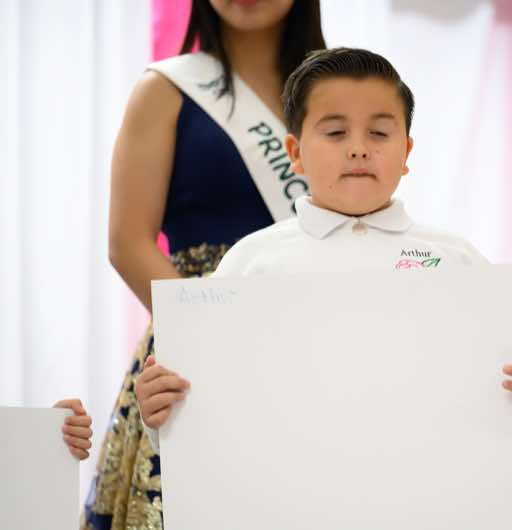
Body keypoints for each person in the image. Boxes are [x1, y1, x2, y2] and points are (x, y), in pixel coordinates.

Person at [135, 48, 512, 457]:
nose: (358, 148)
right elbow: (206, 399)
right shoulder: (251, 262)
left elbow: (505, 393)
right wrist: (161, 413)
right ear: (295, 153)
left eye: (379, 132)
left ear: (406, 152)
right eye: (336, 132)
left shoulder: (457, 260)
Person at [82, 1, 325, 528]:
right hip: (194, 350)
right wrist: (210, 335)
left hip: (315, 346)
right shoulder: (166, 90)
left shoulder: (336, 89)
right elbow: (128, 242)